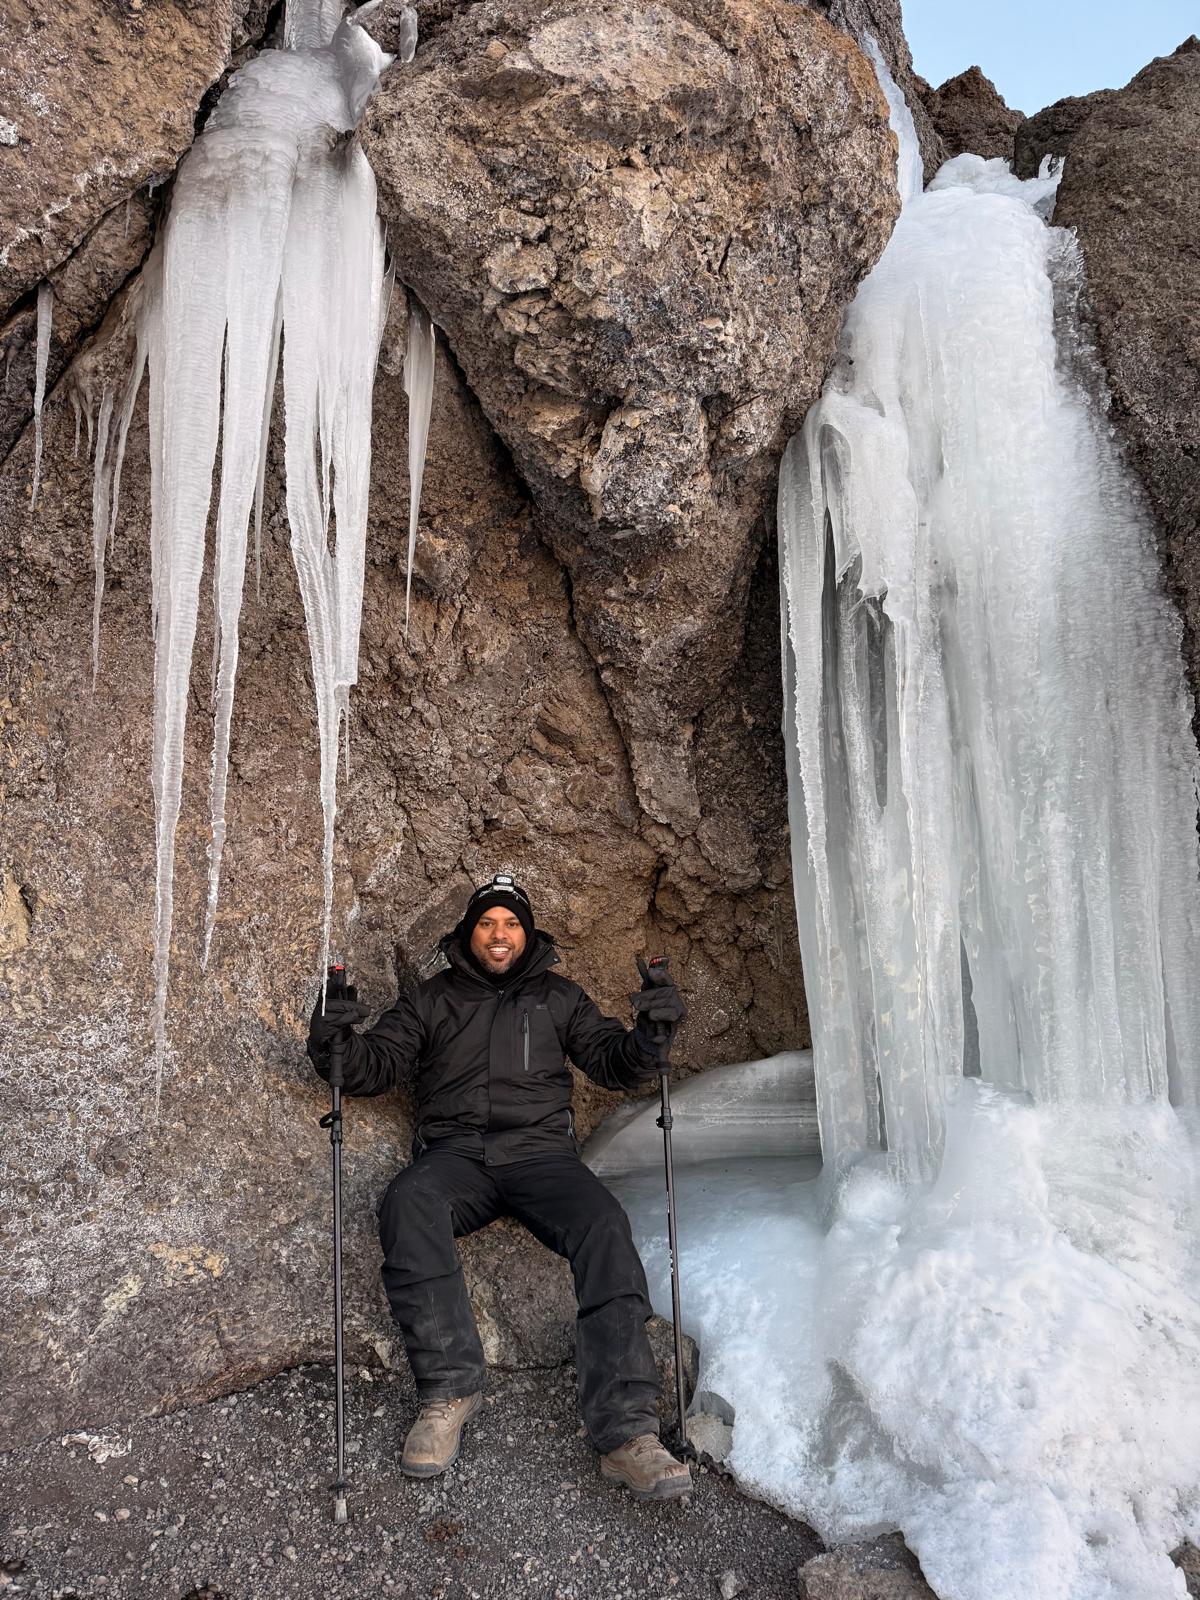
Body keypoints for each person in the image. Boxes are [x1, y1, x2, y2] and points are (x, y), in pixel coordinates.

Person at [306, 873, 692, 1500]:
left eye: (511, 923)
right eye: (487, 922)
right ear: (469, 931)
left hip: (543, 1159)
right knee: (409, 1201)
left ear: (527, 934)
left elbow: (613, 1063)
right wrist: (335, 1042)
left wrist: (651, 1037)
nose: (499, 934)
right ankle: (449, 1392)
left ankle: (628, 1433)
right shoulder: (431, 1000)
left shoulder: (560, 998)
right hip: (457, 1157)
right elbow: (374, 1067)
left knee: (603, 1223)